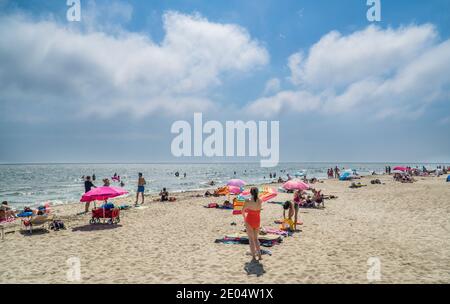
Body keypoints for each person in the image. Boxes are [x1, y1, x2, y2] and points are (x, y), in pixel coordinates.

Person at [242, 187, 262, 261]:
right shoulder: (260, 201)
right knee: (256, 239)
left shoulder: (248, 201)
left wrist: (244, 217)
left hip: (249, 220)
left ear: (250, 193)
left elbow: (242, 211)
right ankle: (259, 256)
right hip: (257, 220)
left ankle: (253, 256)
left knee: (251, 239)